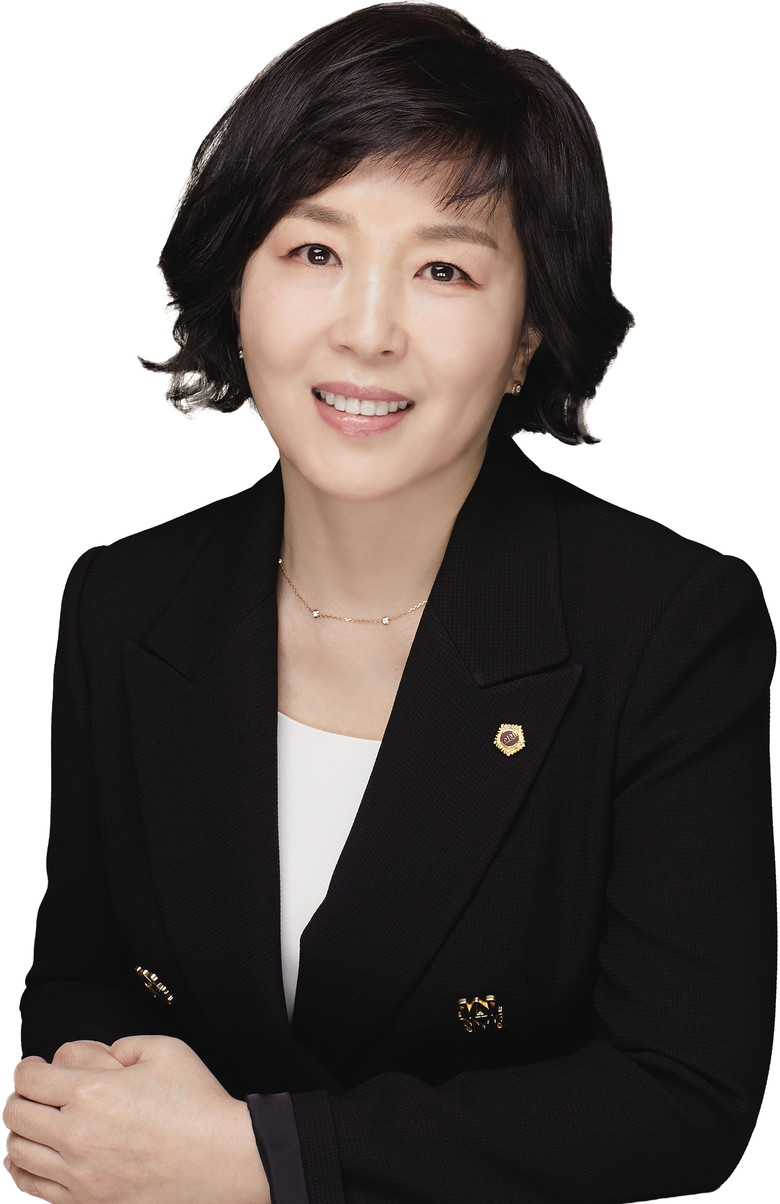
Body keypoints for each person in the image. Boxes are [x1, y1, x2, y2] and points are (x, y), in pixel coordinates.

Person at [4, 3, 775, 1202]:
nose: (367, 331)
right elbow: (80, 986)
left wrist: (267, 1158)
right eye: (314, 253)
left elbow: (681, 1095)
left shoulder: (669, 625)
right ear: (237, 283)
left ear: (528, 335)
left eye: (444, 269)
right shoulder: (125, 601)